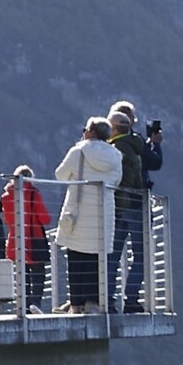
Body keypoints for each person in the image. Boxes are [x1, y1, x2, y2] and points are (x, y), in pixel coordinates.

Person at [51, 116, 124, 311]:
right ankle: (93, 302)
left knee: (75, 258)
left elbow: (60, 174)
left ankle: (76, 305)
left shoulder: (78, 151)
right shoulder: (116, 156)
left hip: (79, 211)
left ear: (91, 132)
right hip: (103, 212)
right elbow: (116, 181)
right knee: (95, 259)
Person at [106, 98, 168, 312]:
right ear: (129, 120)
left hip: (115, 204)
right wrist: (156, 144)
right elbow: (154, 163)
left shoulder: (107, 144)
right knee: (141, 253)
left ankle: (108, 299)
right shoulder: (135, 143)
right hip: (136, 204)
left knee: (113, 254)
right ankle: (131, 299)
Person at [2, 162, 54, 310]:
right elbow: (45, 218)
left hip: (15, 238)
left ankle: (23, 304)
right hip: (34, 238)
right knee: (38, 272)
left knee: (22, 273)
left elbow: (8, 219)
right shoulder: (33, 194)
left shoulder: (6, 197)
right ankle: (35, 302)